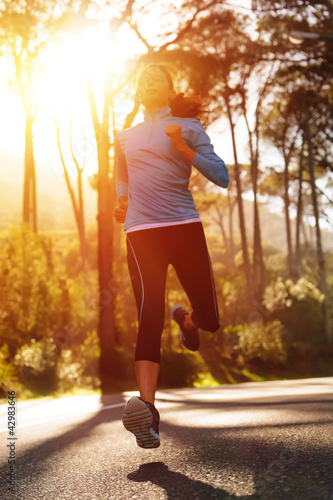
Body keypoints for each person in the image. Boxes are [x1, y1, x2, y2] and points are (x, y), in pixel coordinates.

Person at [113, 63, 229, 449]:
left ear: (169, 87)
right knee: (149, 314)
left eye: (156, 79)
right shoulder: (124, 136)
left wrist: (182, 149)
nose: (148, 82)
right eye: (142, 79)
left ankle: (189, 320)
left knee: (211, 319)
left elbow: (222, 175)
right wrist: (121, 202)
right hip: (141, 232)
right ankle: (148, 410)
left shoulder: (189, 128)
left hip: (183, 226)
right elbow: (123, 176)